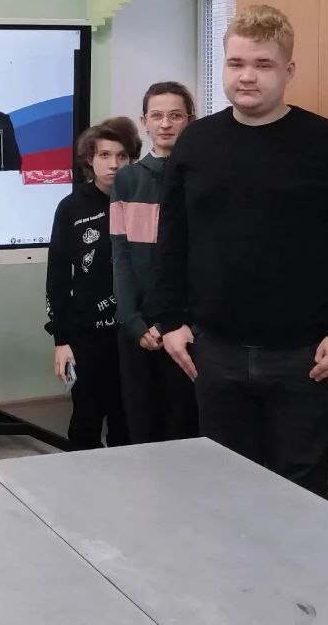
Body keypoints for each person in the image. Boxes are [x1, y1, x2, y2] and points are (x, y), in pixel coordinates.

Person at [147, 4, 328, 496]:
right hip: (214, 353)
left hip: (307, 359)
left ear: (288, 70)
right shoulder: (196, 143)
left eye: (263, 64)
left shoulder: (327, 143)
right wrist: (169, 321)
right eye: (236, 63)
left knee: (301, 490)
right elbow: (172, 239)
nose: (247, 76)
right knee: (226, 487)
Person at [111, 81, 199, 444]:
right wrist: (133, 321)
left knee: (184, 425)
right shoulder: (128, 179)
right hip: (137, 324)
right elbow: (121, 255)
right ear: (144, 121)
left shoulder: (201, 177)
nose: (165, 124)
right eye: (157, 115)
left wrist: (176, 321)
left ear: (190, 120)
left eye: (175, 115)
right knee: (142, 424)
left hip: (187, 326)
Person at [45, 117, 139, 450]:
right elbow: (58, 275)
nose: (113, 164)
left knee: (128, 421)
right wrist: (61, 339)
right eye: (104, 155)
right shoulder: (72, 207)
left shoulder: (141, 200)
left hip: (133, 333)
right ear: (90, 159)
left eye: (122, 156)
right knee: (85, 420)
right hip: (86, 333)